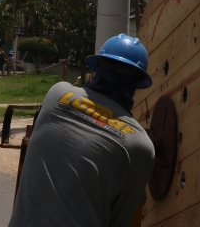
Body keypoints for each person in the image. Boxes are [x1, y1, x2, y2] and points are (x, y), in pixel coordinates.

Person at [9, 34, 155, 227]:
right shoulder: (140, 145)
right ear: (137, 82)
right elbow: (118, 220)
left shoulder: (57, 93)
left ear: (98, 67)